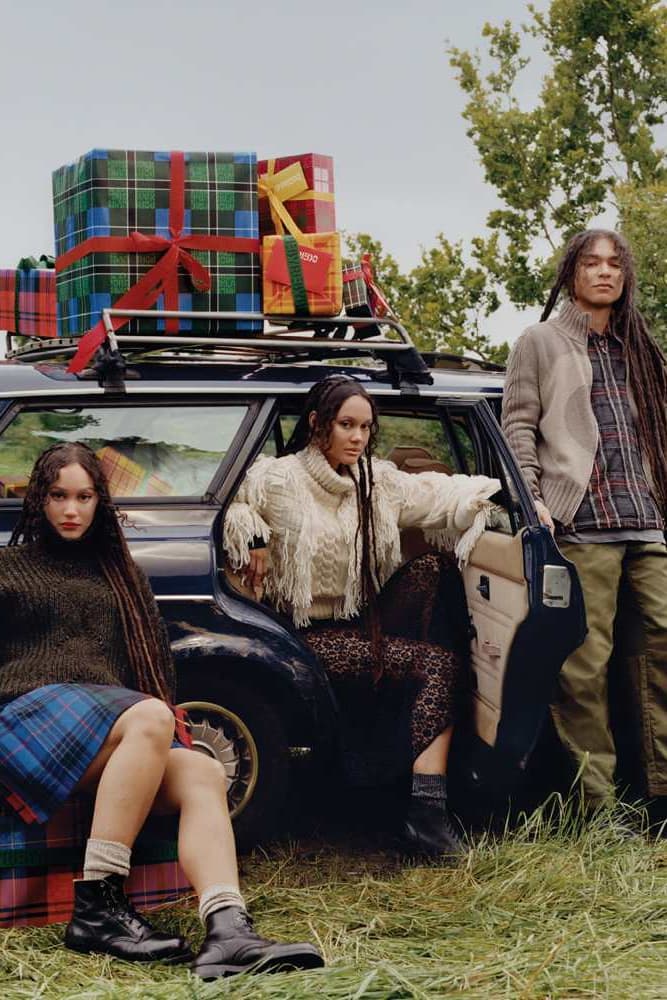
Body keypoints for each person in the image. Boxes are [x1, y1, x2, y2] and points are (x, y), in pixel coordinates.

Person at [0, 442, 323, 980]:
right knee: (150, 715)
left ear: (100, 503)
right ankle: (99, 905)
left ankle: (227, 928)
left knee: (202, 769)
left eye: (83, 496)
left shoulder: (121, 576)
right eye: (58, 496)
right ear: (39, 499)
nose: (71, 509)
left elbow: (152, 673)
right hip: (23, 722)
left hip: (96, 732)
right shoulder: (7, 568)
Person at [223, 376, 500, 856]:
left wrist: (513, 499)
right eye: (346, 425)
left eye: (366, 427)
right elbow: (227, 505)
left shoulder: (378, 480)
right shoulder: (277, 478)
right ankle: (425, 815)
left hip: (360, 618)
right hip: (300, 635)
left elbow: (438, 493)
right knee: (438, 666)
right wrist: (254, 536)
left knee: (435, 569)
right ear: (317, 424)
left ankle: (400, 755)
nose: (357, 437)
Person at [502, 228, 667, 810]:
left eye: (615, 263)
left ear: (626, 275)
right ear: (572, 270)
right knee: (584, 668)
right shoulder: (540, 341)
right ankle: (598, 807)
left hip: (647, 522)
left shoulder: (639, 347)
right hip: (581, 524)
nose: (605, 271)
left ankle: (660, 797)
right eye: (592, 262)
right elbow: (518, 423)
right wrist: (533, 497)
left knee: (659, 651)